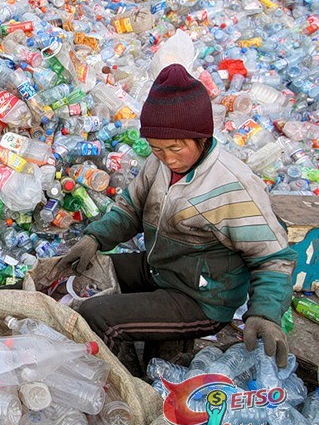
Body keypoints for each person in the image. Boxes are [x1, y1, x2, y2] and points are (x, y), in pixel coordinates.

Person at [49, 64, 296, 372]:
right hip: (161, 267)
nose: (166, 157)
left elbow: (272, 258)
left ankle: (127, 392)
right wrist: (95, 238)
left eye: (175, 148)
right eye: (156, 148)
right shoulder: (159, 165)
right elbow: (131, 209)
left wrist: (265, 313)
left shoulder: (234, 185)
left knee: (96, 314)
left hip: (201, 296)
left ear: (201, 138)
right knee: (81, 272)